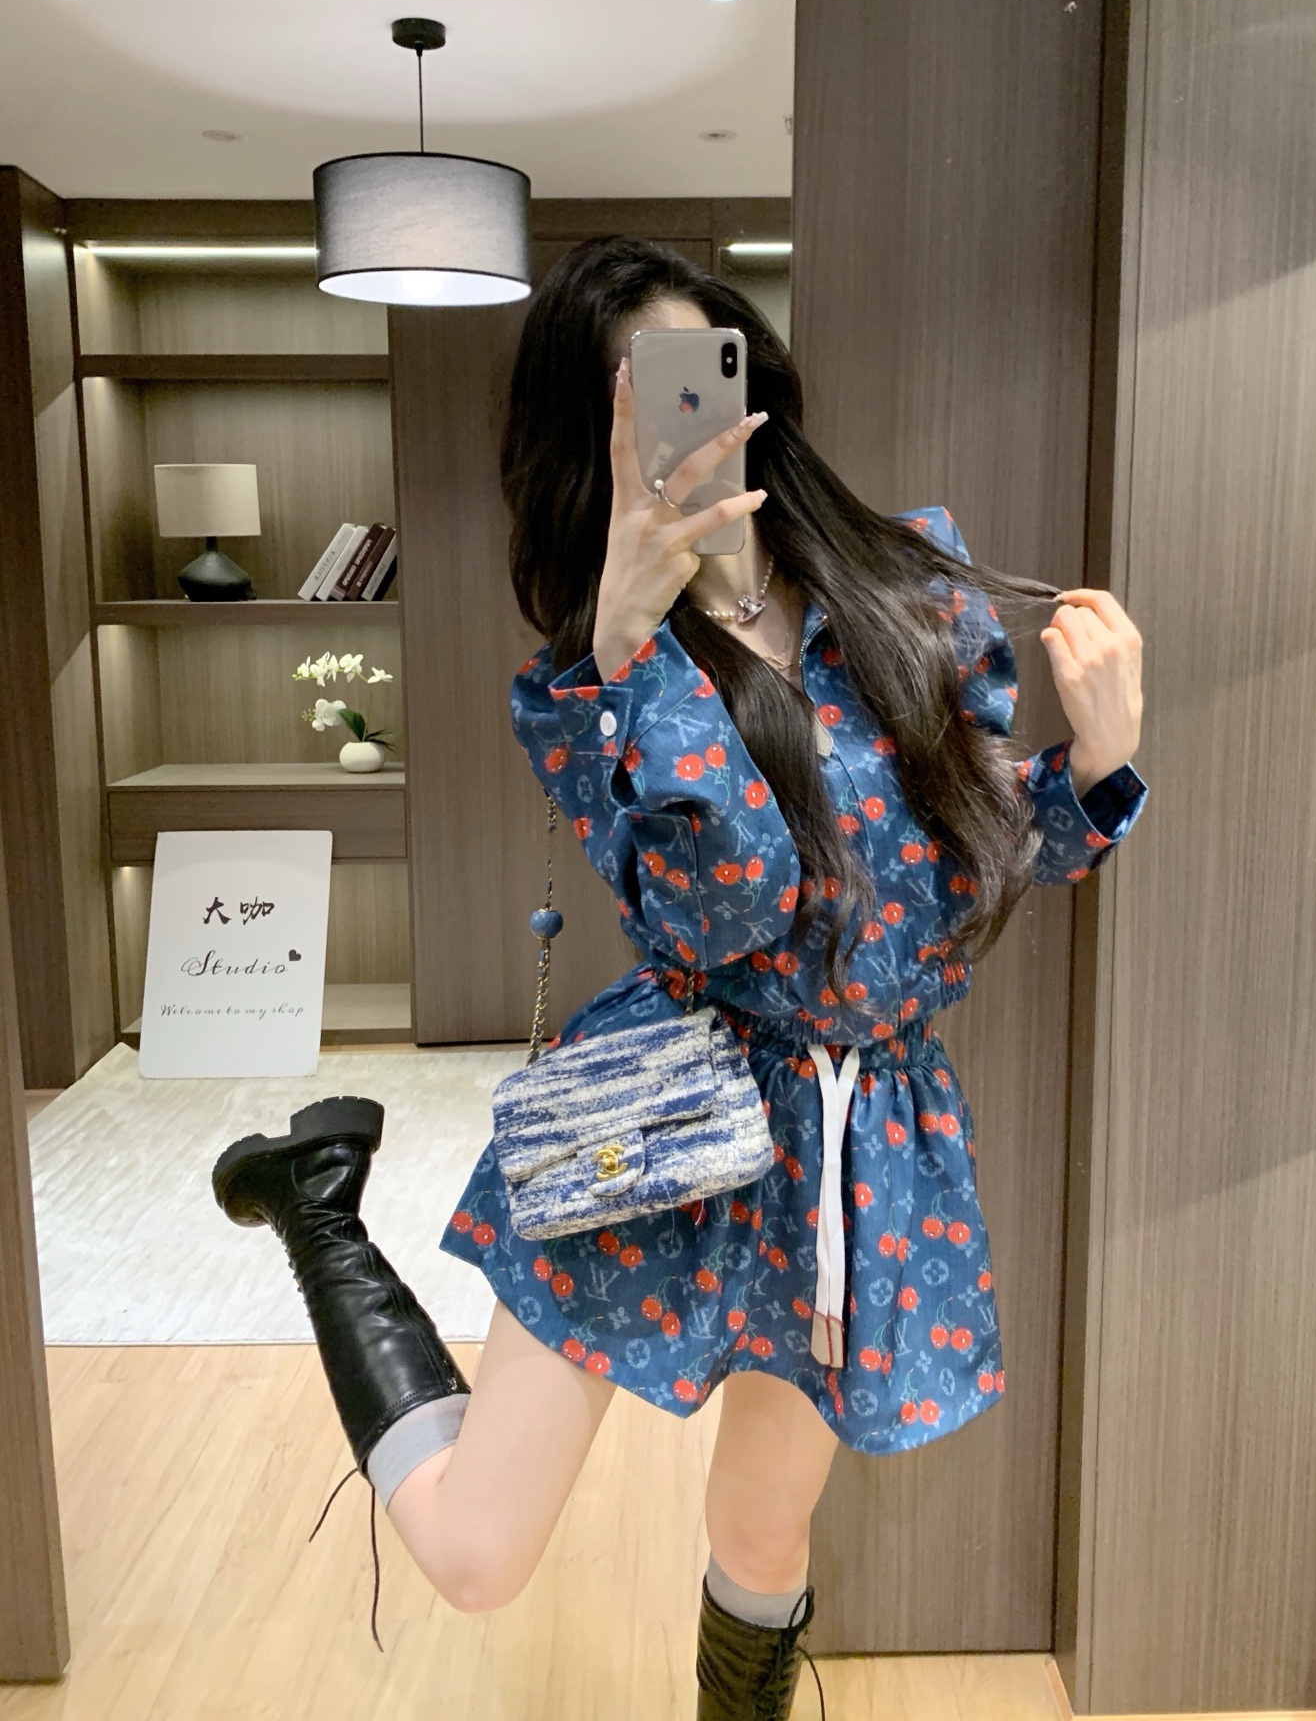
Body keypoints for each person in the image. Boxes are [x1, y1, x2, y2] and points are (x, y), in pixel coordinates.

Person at [213, 236, 1148, 1718]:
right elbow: (731, 909)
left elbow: (963, 870)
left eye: (702, 371)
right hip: (663, 1107)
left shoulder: (909, 581)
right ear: (588, 440)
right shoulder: (580, 686)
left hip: (861, 1143)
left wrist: (1096, 762)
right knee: (476, 1554)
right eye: (633, 395)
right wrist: (635, 648)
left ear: (750, 383)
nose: (682, 419)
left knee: (763, 1530)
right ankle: (319, 1208)